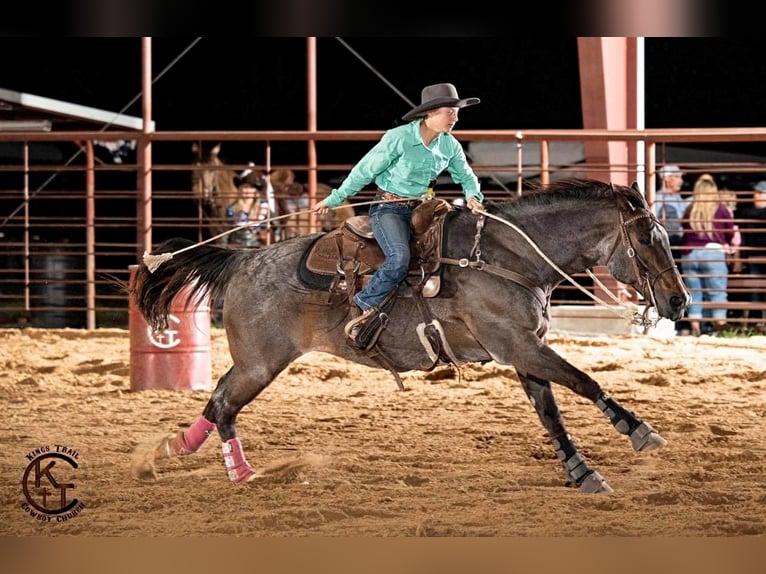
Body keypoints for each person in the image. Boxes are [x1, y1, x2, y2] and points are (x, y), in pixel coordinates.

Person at [313, 82, 484, 350]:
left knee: (453, 246)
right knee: (400, 257)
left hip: (423, 208)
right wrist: (334, 199)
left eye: (456, 112)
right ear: (430, 114)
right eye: (450, 112)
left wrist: (474, 196)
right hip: (388, 208)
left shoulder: (449, 145)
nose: (456, 118)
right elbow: (364, 170)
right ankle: (363, 303)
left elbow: (466, 175)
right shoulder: (399, 137)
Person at [679, 174, 739, 336]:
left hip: (689, 254)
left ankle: (695, 328)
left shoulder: (689, 209)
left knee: (694, 293)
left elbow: (684, 230)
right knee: (717, 292)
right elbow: (729, 232)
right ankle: (719, 328)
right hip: (713, 253)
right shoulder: (721, 209)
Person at [734, 180, 766, 331]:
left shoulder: (746, 212)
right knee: (755, 290)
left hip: (759, 255)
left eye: (760, 192)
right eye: (756, 192)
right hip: (752, 256)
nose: (756, 195)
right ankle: (756, 322)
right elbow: (741, 236)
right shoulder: (746, 212)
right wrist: (741, 256)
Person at [221, 167, 270, 248]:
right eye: (245, 187)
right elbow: (226, 231)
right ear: (240, 189)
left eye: (251, 188)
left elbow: (275, 227)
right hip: (237, 248)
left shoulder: (264, 207)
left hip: (258, 249)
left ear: (255, 191)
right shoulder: (232, 209)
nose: (247, 191)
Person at [654, 164, 689, 258]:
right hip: (669, 245)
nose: (681, 181)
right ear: (666, 179)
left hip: (681, 245)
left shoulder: (678, 197)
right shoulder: (657, 199)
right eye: (677, 177)